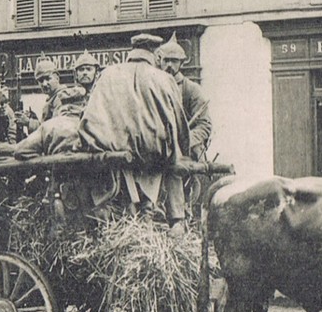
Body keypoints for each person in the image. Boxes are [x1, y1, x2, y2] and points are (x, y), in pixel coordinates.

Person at [78, 33, 190, 228]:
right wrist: (182, 150)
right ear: (155, 55)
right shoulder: (164, 78)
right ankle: (173, 218)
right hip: (153, 153)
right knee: (173, 162)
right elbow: (179, 123)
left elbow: (90, 117)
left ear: (132, 51)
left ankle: (134, 214)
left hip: (115, 152)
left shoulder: (109, 74)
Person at [156, 34, 212, 160]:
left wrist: (184, 141)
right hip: (160, 152)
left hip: (187, 154)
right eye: (166, 60)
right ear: (160, 61)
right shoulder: (154, 88)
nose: (169, 65)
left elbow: (205, 125)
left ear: (181, 63)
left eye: (174, 61)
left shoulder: (192, 90)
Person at [13, 85, 87, 160]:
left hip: (57, 169)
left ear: (62, 106)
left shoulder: (48, 126)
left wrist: (45, 161)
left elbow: (21, 150)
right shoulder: (90, 125)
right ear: (83, 105)